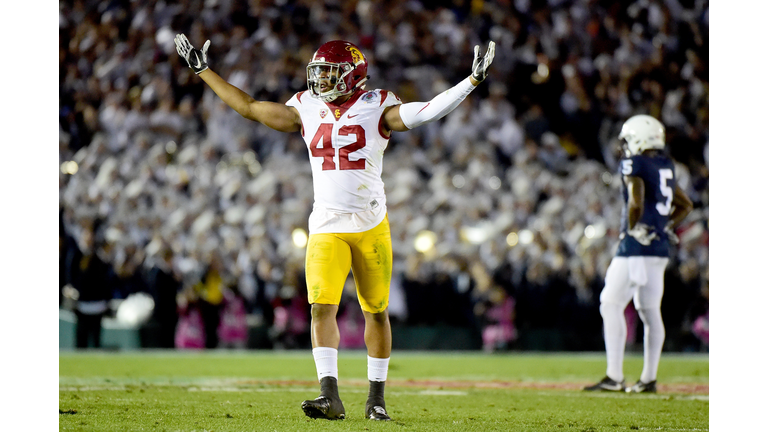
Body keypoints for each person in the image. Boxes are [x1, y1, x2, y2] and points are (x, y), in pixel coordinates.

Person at [174, 34, 495, 420]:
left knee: (376, 311)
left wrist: (470, 82)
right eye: (319, 72)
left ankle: (376, 400)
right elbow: (250, 108)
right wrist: (203, 71)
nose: (321, 80)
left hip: (370, 224)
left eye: (330, 72)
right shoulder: (306, 106)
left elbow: (425, 111)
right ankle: (330, 396)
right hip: (326, 224)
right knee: (320, 307)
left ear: (353, 75)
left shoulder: (377, 105)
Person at [584, 115, 693, 393]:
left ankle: (614, 376)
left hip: (636, 247)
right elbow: (685, 205)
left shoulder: (636, 163)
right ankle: (648, 379)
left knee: (610, 303)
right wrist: (664, 226)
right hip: (658, 248)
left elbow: (635, 200)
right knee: (649, 311)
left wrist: (633, 228)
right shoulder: (665, 164)